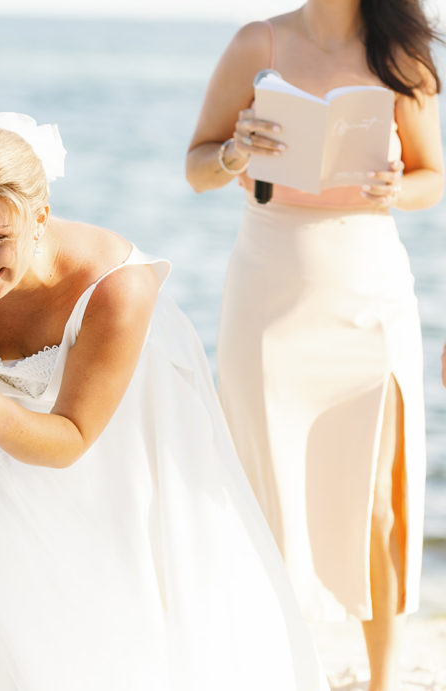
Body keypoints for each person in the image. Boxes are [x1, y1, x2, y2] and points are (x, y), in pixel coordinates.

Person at [0, 113, 329, 690]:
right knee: (13, 609)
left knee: (128, 606)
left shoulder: (117, 288)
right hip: (3, 449)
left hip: (121, 443)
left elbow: (72, 437)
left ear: (40, 218)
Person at [184, 3, 443, 690]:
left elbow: (433, 176)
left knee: (377, 503)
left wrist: (397, 185)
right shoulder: (257, 43)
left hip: (368, 296)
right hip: (269, 296)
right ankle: (280, 669)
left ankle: (384, 679)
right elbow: (197, 167)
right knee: (268, 494)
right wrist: (237, 151)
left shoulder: (402, 54)